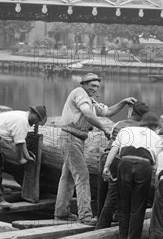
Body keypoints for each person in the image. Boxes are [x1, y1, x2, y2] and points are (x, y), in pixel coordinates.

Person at [54, 73, 136, 225]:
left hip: (76, 139)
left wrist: (123, 102)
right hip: (70, 138)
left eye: (97, 86)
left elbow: (107, 112)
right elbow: (87, 113)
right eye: (92, 86)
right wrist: (105, 129)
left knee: (68, 177)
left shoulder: (90, 100)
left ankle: (61, 212)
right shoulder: (79, 93)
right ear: (83, 84)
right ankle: (85, 215)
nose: (95, 89)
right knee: (82, 176)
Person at [103, 112, 163, 239]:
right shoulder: (156, 137)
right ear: (155, 127)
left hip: (124, 163)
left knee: (123, 204)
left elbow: (114, 149)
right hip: (144, 165)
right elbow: (156, 164)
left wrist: (106, 166)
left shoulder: (126, 130)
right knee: (139, 206)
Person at [95, 101, 150, 230]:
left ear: (132, 112)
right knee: (113, 196)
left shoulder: (119, 124)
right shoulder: (142, 129)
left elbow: (111, 141)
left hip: (105, 157)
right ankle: (101, 228)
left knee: (101, 193)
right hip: (119, 160)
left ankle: (99, 219)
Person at [0, 105, 47, 207]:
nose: (36, 122)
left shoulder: (24, 118)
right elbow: (18, 144)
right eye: (37, 119)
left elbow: (22, 140)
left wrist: (27, 156)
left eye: (39, 120)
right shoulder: (23, 121)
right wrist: (20, 159)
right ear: (33, 114)